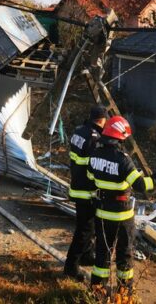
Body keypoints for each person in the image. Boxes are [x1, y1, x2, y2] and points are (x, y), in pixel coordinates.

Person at [87, 115, 154, 294]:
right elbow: (140, 185)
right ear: (120, 138)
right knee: (124, 254)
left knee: (102, 252)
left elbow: (91, 177)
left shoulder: (94, 155)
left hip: (102, 213)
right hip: (122, 216)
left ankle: (97, 290)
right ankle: (124, 292)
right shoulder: (123, 160)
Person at [64, 104, 108, 279]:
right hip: (87, 191)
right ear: (102, 119)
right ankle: (71, 267)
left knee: (89, 227)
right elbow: (95, 166)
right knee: (84, 230)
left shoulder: (79, 131)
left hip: (77, 184)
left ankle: (87, 255)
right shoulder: (94, 138)